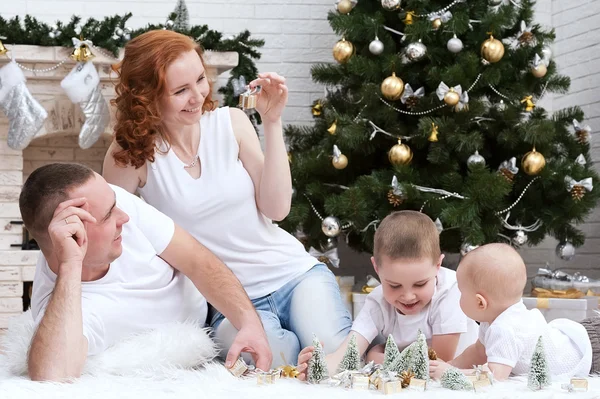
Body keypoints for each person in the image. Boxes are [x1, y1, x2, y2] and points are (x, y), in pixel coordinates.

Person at [102, 29, 352, 368]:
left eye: (200, 80)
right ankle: (289, 339)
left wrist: (272, 122)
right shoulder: (132, 154)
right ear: (147, 97)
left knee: (334, 356)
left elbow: (277, 209)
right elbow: (112, 234)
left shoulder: (230, 122)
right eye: (180, 90)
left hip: (292, 275)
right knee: (274, 361)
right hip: (227, 301)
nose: (197, 95)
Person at [20, 163, 271, 381]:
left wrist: (249, 323)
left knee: (271, 339)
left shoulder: (111, 203)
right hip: (205, 340)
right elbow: (50, 376)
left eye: (115, 204)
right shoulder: (62, 305)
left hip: (218, 302)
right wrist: (71, 265)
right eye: (108, 216)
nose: (124, 218)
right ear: (73, 235)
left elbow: (196, 260)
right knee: (284, 347)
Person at [297, 211, 478, 378]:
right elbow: (347, 351)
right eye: (394, 286)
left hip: (462, 371)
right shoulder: (378, 301)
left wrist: (376, 356)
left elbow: (437, 362)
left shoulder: (451, 291)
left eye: (420, 284)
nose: (408, 296)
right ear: (376, 268)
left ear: (438, 266)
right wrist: (318, 367)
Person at [429, 243, 593, 381]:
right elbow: (477, 352)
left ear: (480, 302)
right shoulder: (496, 317)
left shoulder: (504, 329)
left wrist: (450, 374)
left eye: (461, 292)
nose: (459, 297)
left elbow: (494, 377)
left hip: (585, 354)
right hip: (574, 340)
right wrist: (449, 365)